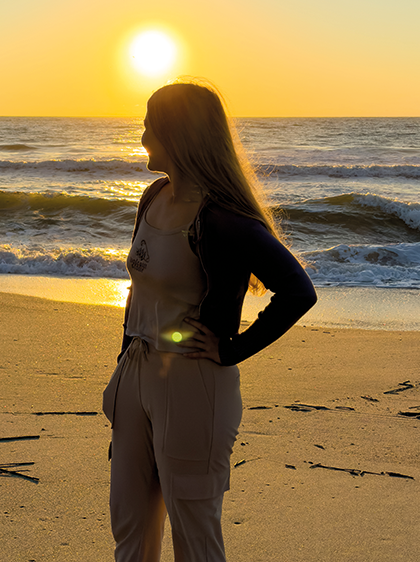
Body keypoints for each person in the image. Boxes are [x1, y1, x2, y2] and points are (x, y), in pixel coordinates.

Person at [102, 79, 317, 562]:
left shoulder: (222, 218)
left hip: (192, 380)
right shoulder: (153, 196)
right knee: (129, 529)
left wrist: (233, 347)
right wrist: (122, 371)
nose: (141, 137)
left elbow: (298, 291)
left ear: (175, 134)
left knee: (195, 537)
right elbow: (138, 291)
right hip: (137, 373)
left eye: (148, 126)